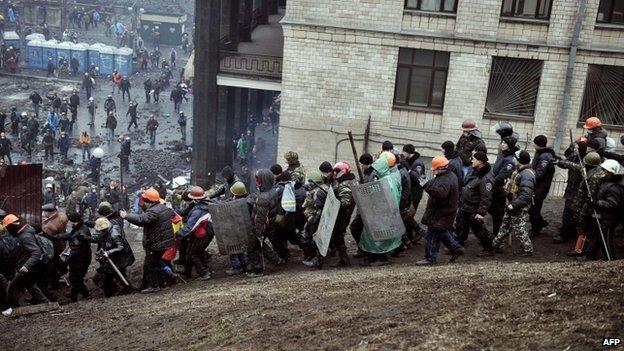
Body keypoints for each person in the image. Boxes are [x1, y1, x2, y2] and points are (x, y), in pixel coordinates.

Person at [120, 188, 177, 293]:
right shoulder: (161, 207)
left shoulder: (153, 212)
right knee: (154, 263)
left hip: (156, 243)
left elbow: (141, 220)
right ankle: (165, 277)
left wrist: (126, 216)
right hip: (164, 241)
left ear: (148, 201)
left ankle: (155, 286)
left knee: (150, 265)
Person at [417, 155, 464, 265]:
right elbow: (437, 183)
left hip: (441, 213)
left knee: (432, 236)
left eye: (435, 169)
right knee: (441, 232)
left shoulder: (445, 179)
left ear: (441, 168)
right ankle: (456, 248)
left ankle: (430, 259)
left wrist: (426, 185)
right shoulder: (448, 175)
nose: (433, 172)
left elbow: (441, 193)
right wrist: (428, 182)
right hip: (444, 212)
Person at [491, 151, 535, 256]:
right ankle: (496, 245)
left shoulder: (527, 175)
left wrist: (514, 205)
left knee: (519, 229)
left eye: (516, 158)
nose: (513, 160)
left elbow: (526, 195)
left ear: (520, 161)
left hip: (518, 207)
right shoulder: (519, 172)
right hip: (513, 205)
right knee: (505, 225)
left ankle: (527, 250)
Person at [2, 214, 49, 308]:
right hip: (25, 266)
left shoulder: (25, 236)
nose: (7, 231)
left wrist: (26, 266)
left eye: (8, 228)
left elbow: (36, 253)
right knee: (30, 285)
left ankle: (13, 308)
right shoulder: (23, 231)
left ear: (11, 227)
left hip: (25, 267)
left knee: (11, 288)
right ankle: (46, 303)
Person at [581, 160, 624, 261]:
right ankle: (589, 256)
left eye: (605, 171)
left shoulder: (614, 188)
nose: (602, 173)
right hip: (602, 216)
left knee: (606, 241)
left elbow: (612, 204)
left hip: (608, 218)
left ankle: (611, 259)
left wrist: (596, 203)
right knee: (595, 238)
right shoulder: (607, 182)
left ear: (611, 173)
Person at [455, 151, 494, 255]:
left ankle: (488, 249)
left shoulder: (486, 178)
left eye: (474, 159)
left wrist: (481, 213)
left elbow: (486, 197)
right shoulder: (474, 170)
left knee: (478, 230)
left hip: (474, 209)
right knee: (461, 227)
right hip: (465, 206)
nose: (471, 160)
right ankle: (457, 247)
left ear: (480, 162)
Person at [246, 169, 282, 277]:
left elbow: (260, 218)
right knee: (259, 244)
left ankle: (257, 270)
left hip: (261, 227)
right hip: (269, 225)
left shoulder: (263, 198)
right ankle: (275, 259)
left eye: (258, 179)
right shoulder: (273, 191)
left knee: (251, 247)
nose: (256, 181)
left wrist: (258, 232)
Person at [91, 217, 134, 297]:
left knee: (106, 277)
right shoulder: (106, 232)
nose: (100, 232)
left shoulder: (114, 234)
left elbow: (120, 247)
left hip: (118, 259)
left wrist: (108, 252)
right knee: (113, 277)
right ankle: (119, 289)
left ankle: (116, 291)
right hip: (112, 259)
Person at [176, 186, 212, 280]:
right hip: (207, 232)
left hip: (204, 235)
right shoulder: (205, 203)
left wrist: (178, 234)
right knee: (198, 252)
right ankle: (206, 270)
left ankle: (204, 274)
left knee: (194, 254)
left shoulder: (198, 211)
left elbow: (190, 227)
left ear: (193, 198)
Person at [489, 133, 519, 238]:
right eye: (502, 142)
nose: (502, 144)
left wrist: (490, 183)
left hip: (499, 189)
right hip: (494, 186)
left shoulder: (510, 159)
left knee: (498, 214)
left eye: (504, 143)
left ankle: (497, 235)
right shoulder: (503, 154)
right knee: (493, 211)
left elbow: (502, 176)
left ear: (509, 146)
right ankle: (496, 233)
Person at [56, 213, 92, 302]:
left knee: (75, 279)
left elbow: (75, 250)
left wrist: (65, 262)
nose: (70, 223)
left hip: (80, 260)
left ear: (75, 221)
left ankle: (74, 296)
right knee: (77, 278)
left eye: (71, 221)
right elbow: (71, 236)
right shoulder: (80, 227)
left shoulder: (81, 232)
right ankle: (83, 293)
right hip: (82, 258)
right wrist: (57, 237)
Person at [529, 135, 556, 235]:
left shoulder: (545, 156)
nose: (533, 144)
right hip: (538, 186)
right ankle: (540, 223)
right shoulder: (540, 152)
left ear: (538, 144)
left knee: (534, 209)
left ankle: (536, 228)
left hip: (541, 188)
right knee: (533, 208)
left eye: (534, 142)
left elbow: (539, 174)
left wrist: (529, 175)